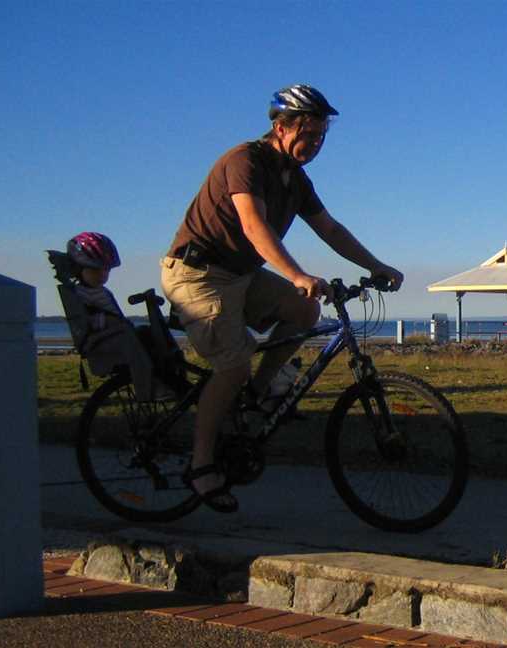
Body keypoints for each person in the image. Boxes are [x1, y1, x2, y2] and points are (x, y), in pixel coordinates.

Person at [161, 84, 404, 513]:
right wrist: (295, 273)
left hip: (240, 274)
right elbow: (254, 226)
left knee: (304, 310)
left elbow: (330, 229)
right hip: (197, 273)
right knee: (232, 365)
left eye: (320, 137)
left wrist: (375, 265)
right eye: (306, 134)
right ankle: (201, 465)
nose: (313, 145)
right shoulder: (245, 161)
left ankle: (257, 393)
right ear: (279, 127)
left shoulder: (298, 180)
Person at [67, 232, 158, 402]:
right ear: (79, 269)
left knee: (150, 334)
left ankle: (166, 378)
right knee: (132, 342)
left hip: (113, 334)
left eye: (106, 270)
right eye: (95, 269)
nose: (102, 275)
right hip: (101, 340)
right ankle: (147, 391)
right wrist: (109, 321)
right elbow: (87, 322)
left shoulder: (101, 292)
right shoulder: (81, 294)